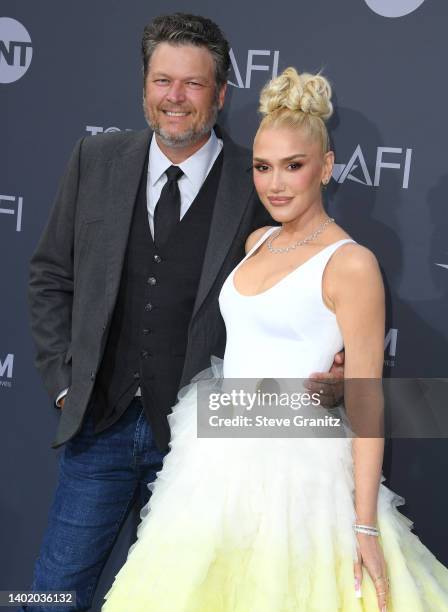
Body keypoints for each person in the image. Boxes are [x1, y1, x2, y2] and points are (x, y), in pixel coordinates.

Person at [26, 14, 343, 612]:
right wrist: (66, 385)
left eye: (193, 84)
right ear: (144, 86)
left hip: (207, 447)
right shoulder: (95, 159)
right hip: (99, 428)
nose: (175, 98)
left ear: (221, 95)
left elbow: (309, 278)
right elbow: (50, 276)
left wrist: (338, 354)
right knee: (48, 596)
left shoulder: (259, 182)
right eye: (162, 80)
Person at [102, 68, 448, 612]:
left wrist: (365, 526)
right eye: (263, 167)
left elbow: (365, 401)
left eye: (293, 166)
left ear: (327, 167)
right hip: (213, 462)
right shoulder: (257, 240)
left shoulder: (352, 264)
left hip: (300, 476)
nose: (275, 184)